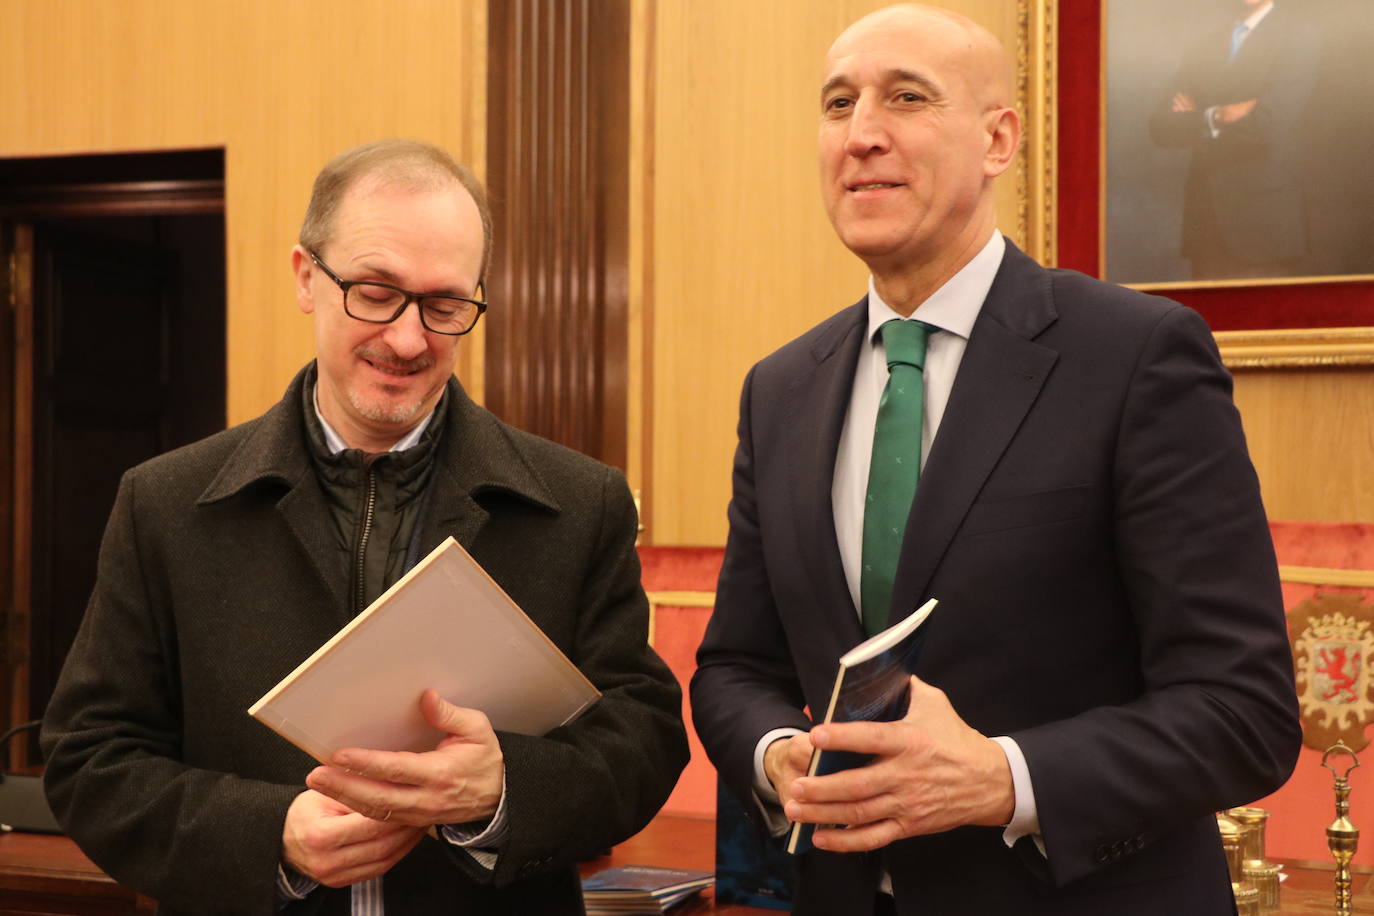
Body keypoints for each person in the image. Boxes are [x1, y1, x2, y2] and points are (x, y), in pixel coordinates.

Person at [690, 5, 1300, 914]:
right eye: (838, 104)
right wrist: (777, 755)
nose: (862, 135)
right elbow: (735, 667)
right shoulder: (779, 389)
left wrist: (1001, 777)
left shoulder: (1136, 356)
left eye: (906, 97)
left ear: (998, 140)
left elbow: (1242, 710)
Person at [41, 139, 689, 915]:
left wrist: (505, 788)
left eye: (445, 305)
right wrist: (269, 831)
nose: (409, 340)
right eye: (376, 292)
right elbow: (89, 761)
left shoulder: (580, 504)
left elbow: (645, 741)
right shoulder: (166, 504)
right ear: (306, 278)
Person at [1149, 0, 1323, 281]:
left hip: (1265, 227)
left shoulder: (1299, 36)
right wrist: (1217, 115)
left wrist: (1196, 119)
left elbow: (1267, 127)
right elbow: (1161, 128)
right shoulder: (1205, 44)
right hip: (1206, 224)